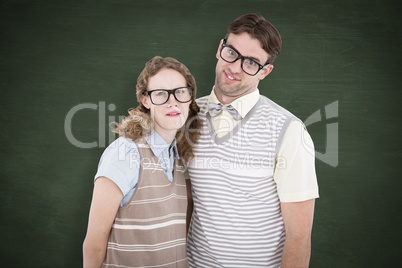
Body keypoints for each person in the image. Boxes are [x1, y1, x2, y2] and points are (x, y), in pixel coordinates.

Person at [186, 13, 319, 268]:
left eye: (251, 63)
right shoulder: (186, 116)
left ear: (265, 71)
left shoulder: (289, 130)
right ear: (219, 49)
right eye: (231, 53)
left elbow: (299, 236)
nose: (235, 67)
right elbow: (186, 201)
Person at [83, 56, 201, 268]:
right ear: (145, 100)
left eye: (180, 91)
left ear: (190, 97)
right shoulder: (126, 153)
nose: (172, 101)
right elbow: (94, 243)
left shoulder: (176, 156)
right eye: (161, 94)